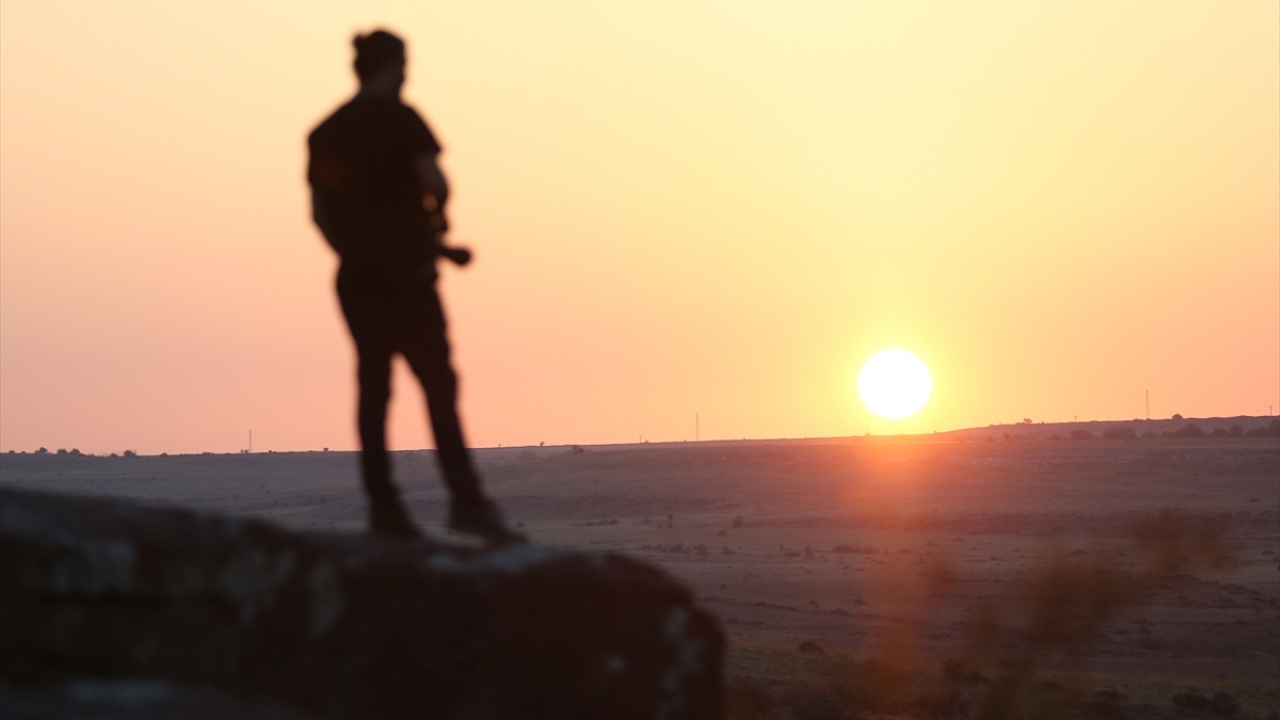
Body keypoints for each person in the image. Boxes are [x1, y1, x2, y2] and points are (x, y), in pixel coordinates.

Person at [307, 30, 520, 543]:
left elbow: (320, 212)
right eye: (404, 65)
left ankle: (385, 509)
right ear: (392, 65)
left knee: (374, 389)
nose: (407, 75)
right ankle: (466, 503)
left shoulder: (328, 132)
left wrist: (357, 252)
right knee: (438, 386)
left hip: (357, 279)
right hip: (408, 278)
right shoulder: (403, 120)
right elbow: (436, 181)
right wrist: (435, 224)